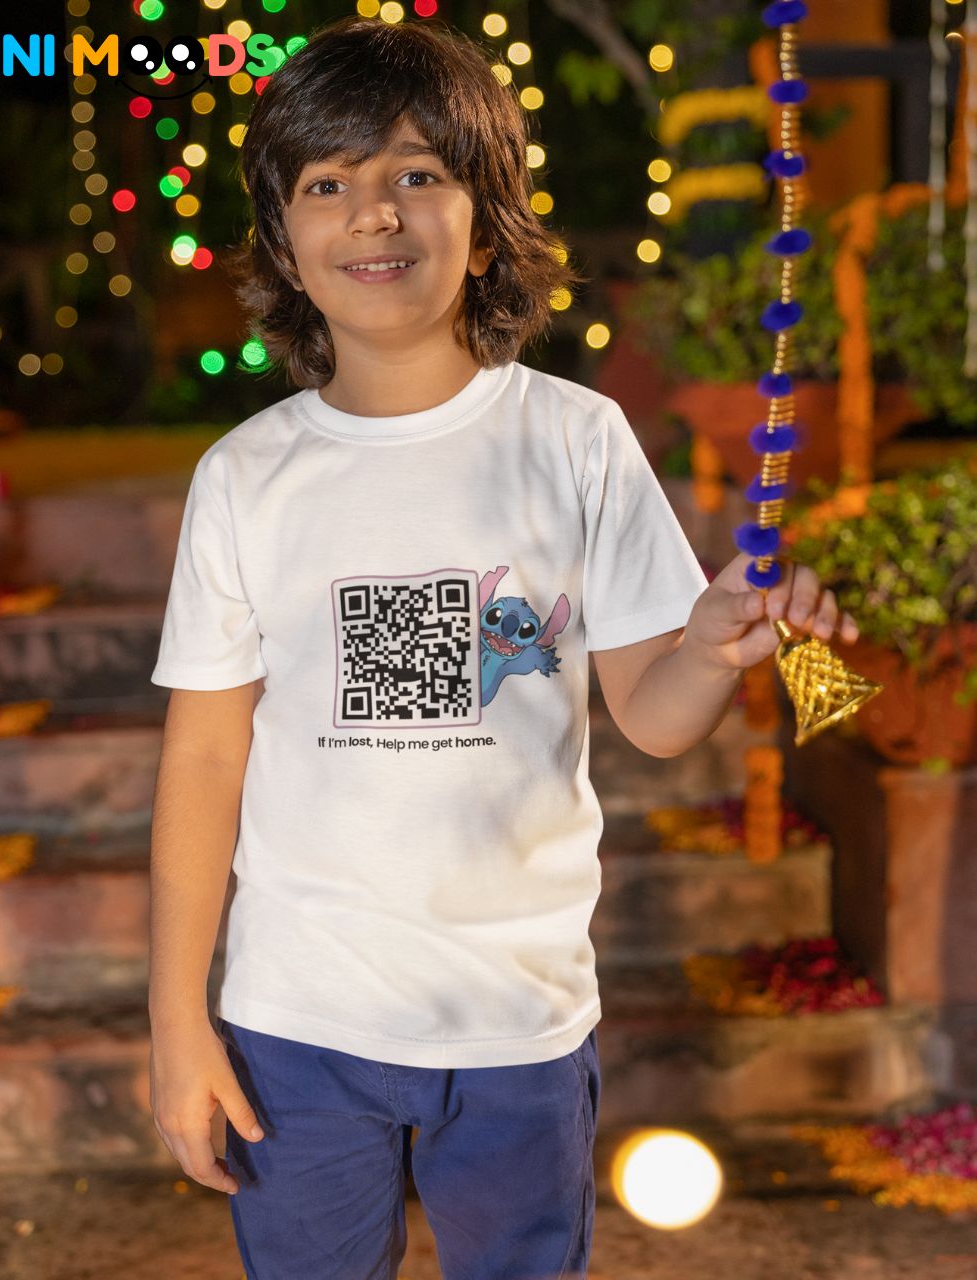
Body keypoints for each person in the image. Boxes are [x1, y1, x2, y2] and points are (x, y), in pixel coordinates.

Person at [146, 15, 859, 1280]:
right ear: (285, 242)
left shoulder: (577, 441)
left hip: (518, 1017)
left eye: (418, 172)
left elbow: (653, 713)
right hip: (296, 1017)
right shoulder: (246, 477)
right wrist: (174, 1019)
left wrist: (708, 645)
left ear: (487, 223)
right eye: (328, 183)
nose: (375, 212)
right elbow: (204, 761)